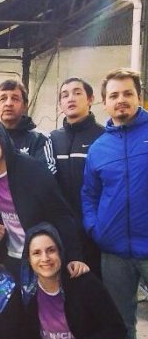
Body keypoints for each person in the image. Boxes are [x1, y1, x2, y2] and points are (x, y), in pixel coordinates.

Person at [82, 67, 148, 339]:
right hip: (115, 251)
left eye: (127, 93)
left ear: (139, 96)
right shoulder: (99, 148)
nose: (120, 100)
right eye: (114, 95)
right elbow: (89, 194)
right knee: (122, 321)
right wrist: (96, 228)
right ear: (105, 103)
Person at [0, 118, 88, 280]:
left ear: (2, 138)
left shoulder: (32, 169)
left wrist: (74, 256)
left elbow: (61, 214)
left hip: (43, 259)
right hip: (11, 259)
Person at [50, 77, 104, 277]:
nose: (70, 98)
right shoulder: (52, 139)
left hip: (96, 234)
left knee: (96, 294)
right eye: (65, 95)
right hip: (62, 232)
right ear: (60, 104)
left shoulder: (103, 137)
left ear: (91, 99)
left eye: (77, 92)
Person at [0, 79, 56, 173]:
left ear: (25, 105)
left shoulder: (39, 139)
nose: (8, 103)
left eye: (15, 98)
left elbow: (48, 171)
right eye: (3, 98)